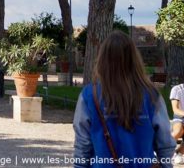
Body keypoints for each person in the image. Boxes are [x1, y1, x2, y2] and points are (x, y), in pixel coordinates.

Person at [73, 31, 175, 167]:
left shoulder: (89, 96)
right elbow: (165, 143)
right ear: (134, 59)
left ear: (103, 59)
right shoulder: (151, 96)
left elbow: (82, 145)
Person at [170, 81, 184, 163]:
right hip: (180, 117)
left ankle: (178, 153)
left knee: (178, 160)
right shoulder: (177, 89)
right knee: (178, 131)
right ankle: (161, 150)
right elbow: (175, 109)